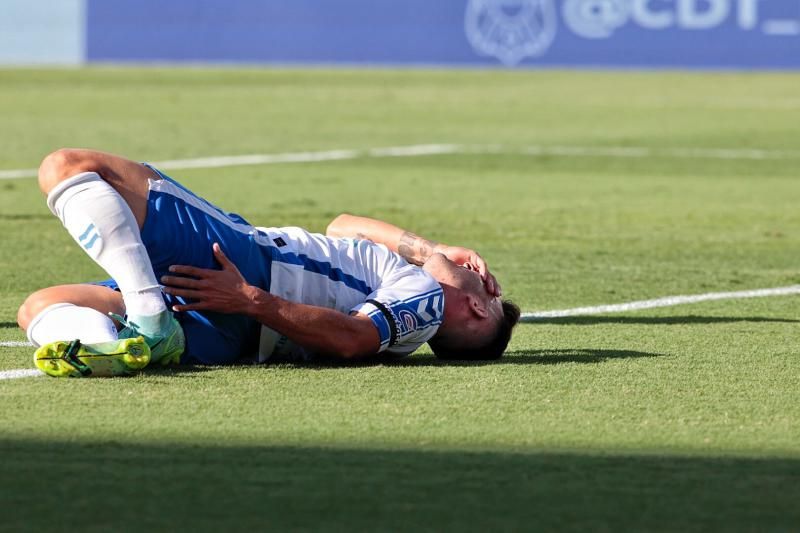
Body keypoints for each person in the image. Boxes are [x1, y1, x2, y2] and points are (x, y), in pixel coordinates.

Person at [16, 149, 521, 377]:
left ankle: (149, 321)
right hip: (230, 331)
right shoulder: (405, 279)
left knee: (69, 167)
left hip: (247, 270)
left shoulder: (425, 301)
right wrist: (432, 251)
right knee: (39, 308)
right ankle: (123, 348)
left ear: (475, 310)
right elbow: (343, 225)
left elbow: (351, 339)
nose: (483, 274)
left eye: (488, 290)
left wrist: (249, 299)